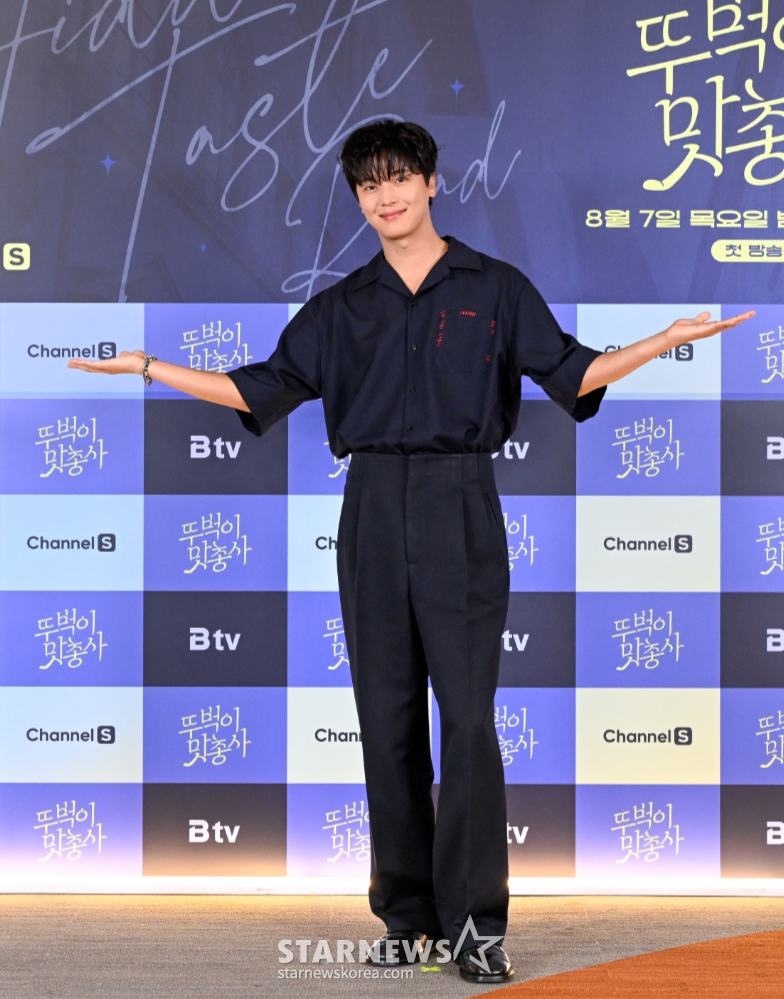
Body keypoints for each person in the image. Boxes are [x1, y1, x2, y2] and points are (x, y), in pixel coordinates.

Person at [69, 120, 752, 985]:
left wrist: (662, 340)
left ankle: (476, 926)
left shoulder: (495, 288)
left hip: (460, 502)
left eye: (398, 178)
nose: (385, 196)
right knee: (385, 720)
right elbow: (256, 387)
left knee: (466, 720)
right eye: (368, 185)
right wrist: (150, 367)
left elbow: (572, 372)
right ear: (358, 199)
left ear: (431, 182)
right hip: (371, 509)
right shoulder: (342, 305)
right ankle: (407, 916)